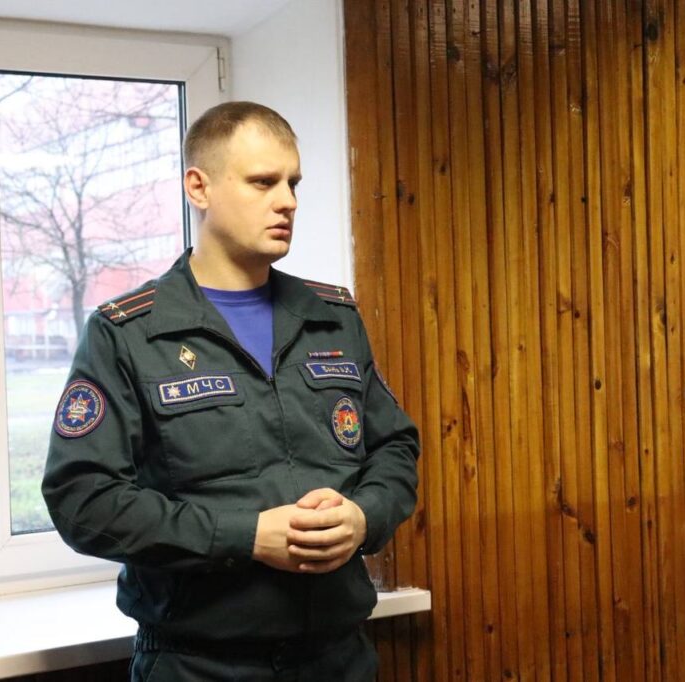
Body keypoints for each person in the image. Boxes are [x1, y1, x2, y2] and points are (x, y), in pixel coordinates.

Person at [42, 101, 419, 681]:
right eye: (263, 182)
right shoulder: (130, 332)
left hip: (338, 659)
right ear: (199, 187)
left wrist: (363, 517)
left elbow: (395, 448)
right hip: (199, 665)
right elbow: (83, 501)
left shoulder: (332, 318)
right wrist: (247, 537)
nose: (288, 201)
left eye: (293, 183)